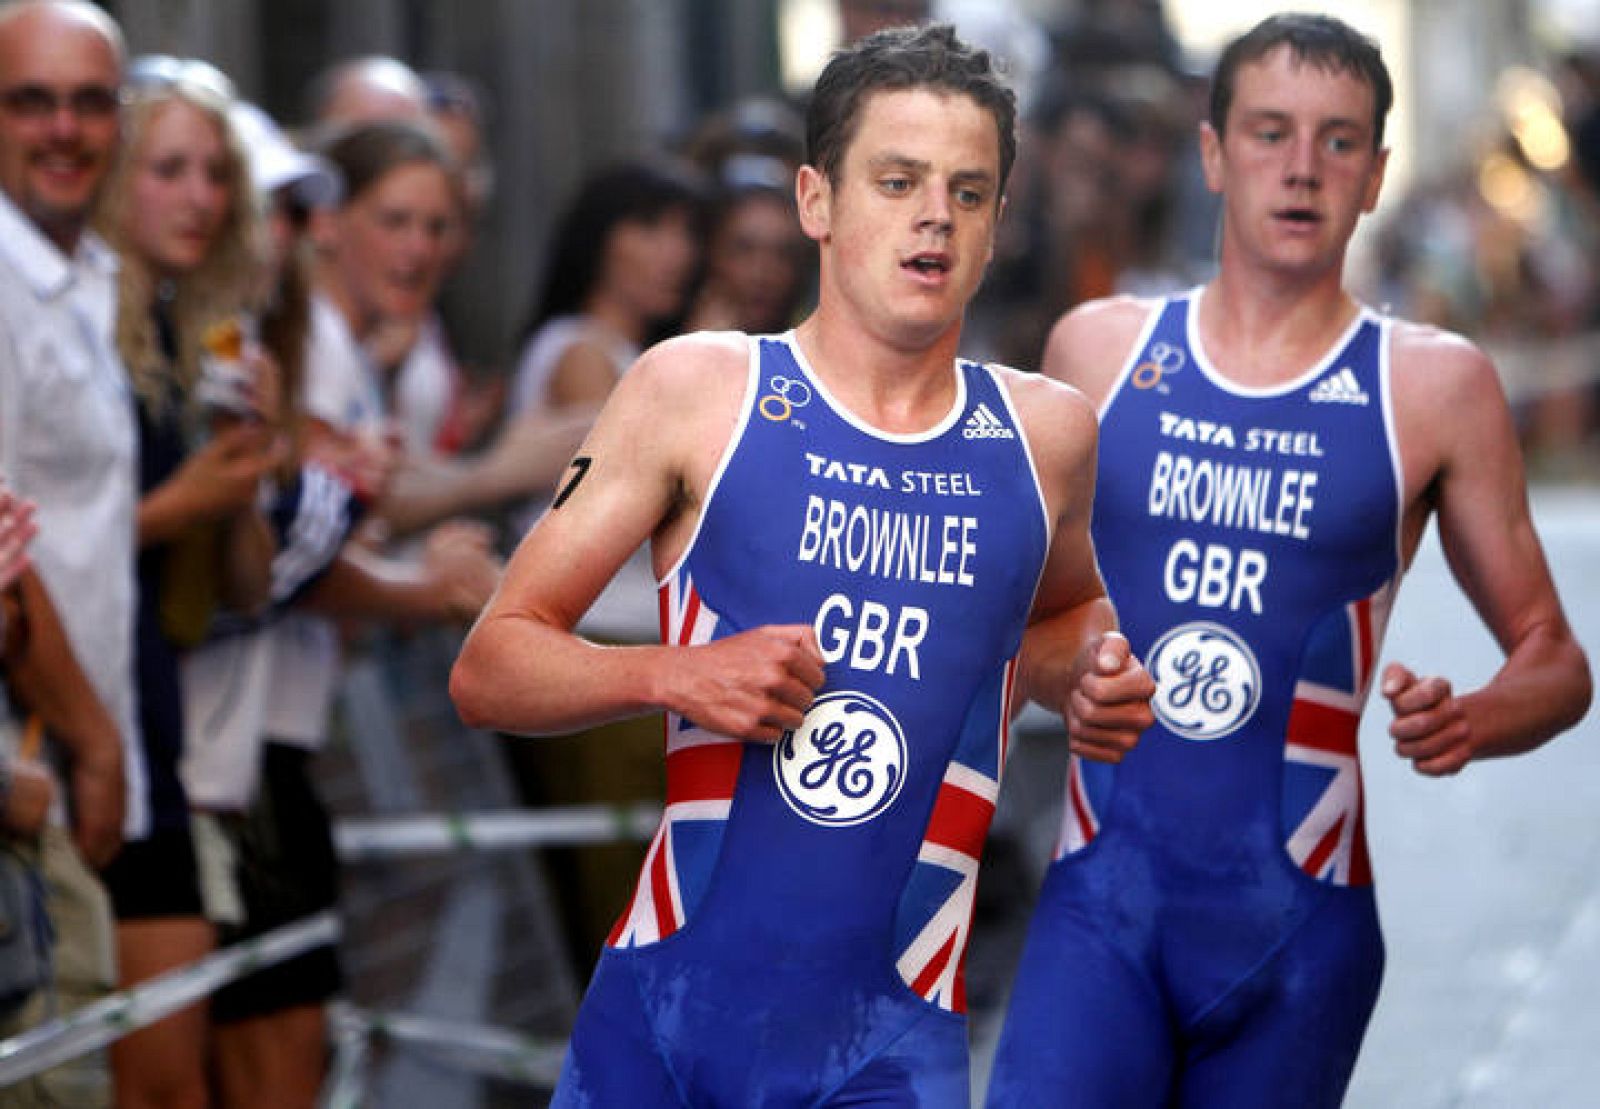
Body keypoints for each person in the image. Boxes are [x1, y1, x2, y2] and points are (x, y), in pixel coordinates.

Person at [451, 23, 1154, 1106]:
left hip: (891, 1046)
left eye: (969, 192)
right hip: (666, 1029)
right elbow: (491, 665)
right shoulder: (698, 390)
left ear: (998, 224)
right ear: (815, 202)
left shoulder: (1046, 433)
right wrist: (676, 674)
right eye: (897, 180)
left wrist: (1095, 670)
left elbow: (1061, 624)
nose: (934, 214)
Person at [985, 14, 1594, 1108]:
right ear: (1212, 154)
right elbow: (1010, 620)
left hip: (1293, 926)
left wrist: (1478, 715)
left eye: (1338, 140)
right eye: (1269, 133)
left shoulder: (1431, 385)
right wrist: (1060, 674)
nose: (1301, 168)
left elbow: (1555, 660)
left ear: (1376, 175)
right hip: (1098, 910)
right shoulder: (1099, 349)